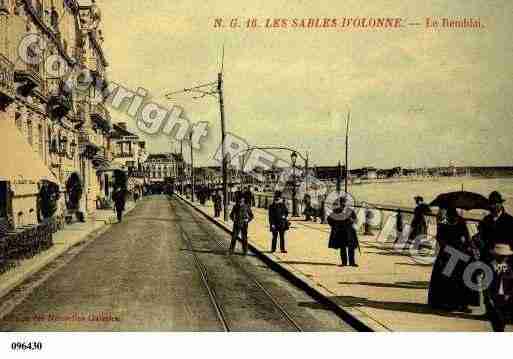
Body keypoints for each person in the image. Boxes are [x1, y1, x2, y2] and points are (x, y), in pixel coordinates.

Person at [428, 206, 476, 312]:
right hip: (447, 254)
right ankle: (448, 303)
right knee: (447, 279)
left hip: (459, 253)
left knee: (461, 279)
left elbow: (467, 237)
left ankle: (462, 304)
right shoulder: (443, 222)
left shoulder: (461, 221)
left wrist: (469, 247)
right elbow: (440, 238)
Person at [477, 191, 513, 265]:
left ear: (501, 204)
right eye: (492, 203)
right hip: (488, 259)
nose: (494, 205)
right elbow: (482, 238)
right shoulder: (485, 220)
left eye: (496, 203)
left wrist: (506, 261)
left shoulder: (510, 220)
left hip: (506, 260)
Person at [485, 243, 513, 332]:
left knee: (502, 321)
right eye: (502, 256)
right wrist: (488, 299)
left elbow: (511, 283)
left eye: (505, 256)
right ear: (496, 256)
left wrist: (508, 294)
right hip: (493, 298)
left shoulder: (508, 268)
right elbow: (485, 285)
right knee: (496, 321)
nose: (504, 258)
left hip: (504, 298)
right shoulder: (490, 267)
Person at [327, 196, 359, 267]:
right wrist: (335, 226)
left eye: (345, 202)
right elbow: (329, 219)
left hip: (349, 231)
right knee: (342, 247)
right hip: (341, 231)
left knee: (351, 247)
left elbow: (356, 220)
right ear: (340, 203)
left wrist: (352, 220)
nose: (343, 204)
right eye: (342, 202)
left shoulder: (350, 211)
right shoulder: (336, 211)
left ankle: (352, 262)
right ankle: (344, 262)